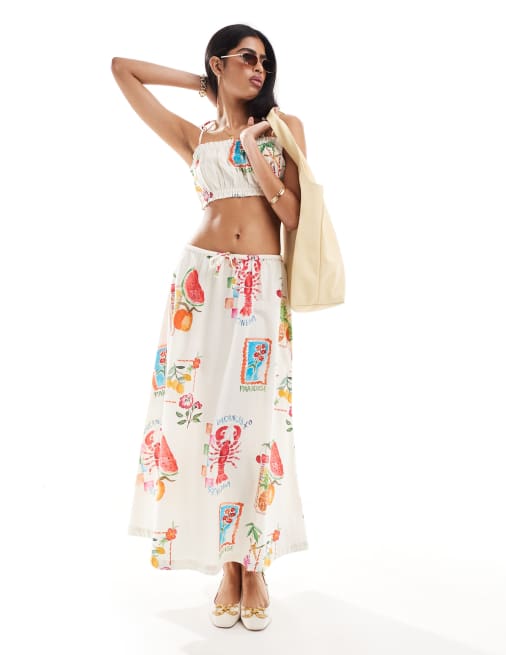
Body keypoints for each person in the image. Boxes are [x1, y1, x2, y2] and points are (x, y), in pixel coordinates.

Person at [111, 23, 309, 631]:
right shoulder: (194, 136)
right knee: (201, 421)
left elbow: (292, 214)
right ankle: (228, 565)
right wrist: (203, 83)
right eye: (246, 58)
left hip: (261, 285)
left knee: (254, 425)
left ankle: (255, 565)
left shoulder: (283, 129)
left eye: (265, 61)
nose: (259, 69)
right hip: (200, 286)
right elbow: (122, 69)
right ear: (220, 63)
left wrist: (251, 148)